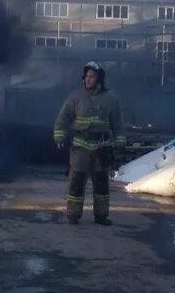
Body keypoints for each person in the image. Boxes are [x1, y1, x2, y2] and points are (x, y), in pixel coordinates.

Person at [53, 61, 123, 225]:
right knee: (76, 182)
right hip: (80, 147)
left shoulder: (110, 99)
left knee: (101, 185)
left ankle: (101, 215)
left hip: (102, 147)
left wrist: (119, 143)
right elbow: (62, 119)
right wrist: (59, 136)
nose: (88, 80)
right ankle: (73, 215)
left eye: (92, 77)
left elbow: (118, 123)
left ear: (99, 79)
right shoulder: (75, 97)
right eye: (86, 77)